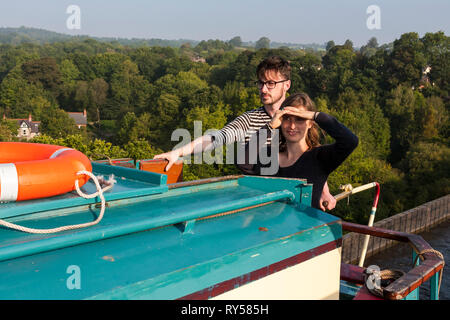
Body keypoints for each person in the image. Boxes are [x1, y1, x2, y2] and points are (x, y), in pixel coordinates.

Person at [154, 56, 337, 210]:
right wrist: (179, 152)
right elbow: (217, 138)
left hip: (295, 204)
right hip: (261, 205)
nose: (263, 89)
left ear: (286, 84)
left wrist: (324, 191)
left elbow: (312, 155)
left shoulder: (299, 117)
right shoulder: (249, 120)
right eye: (261, 83)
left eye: (271, 83)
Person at [237, 92, 359, 210]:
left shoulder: (319, 157)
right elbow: (243, 162)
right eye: (287, 119)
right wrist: (269, 126)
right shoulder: (268, 155)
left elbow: (350, 141)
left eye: (300, 119)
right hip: (268, 229)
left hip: (304, 230)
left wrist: (315, 116)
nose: (292, 126)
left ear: (310, 123)